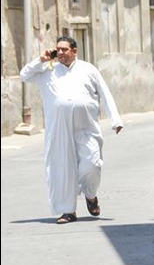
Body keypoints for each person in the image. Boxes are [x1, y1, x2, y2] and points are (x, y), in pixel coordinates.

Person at [20, 36, 123, 224]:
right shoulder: (47, 70)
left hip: (86, 127)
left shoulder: (88, 69)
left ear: (74, 51)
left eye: (64, 49)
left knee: (92, 163)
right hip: (59, 130)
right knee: (63, 170)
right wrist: (40, 60)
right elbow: (24, 75)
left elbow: (104, 92)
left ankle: (90, 195)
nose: (60, 52)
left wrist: (115, 120)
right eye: (58, 49)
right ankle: (68, 211)